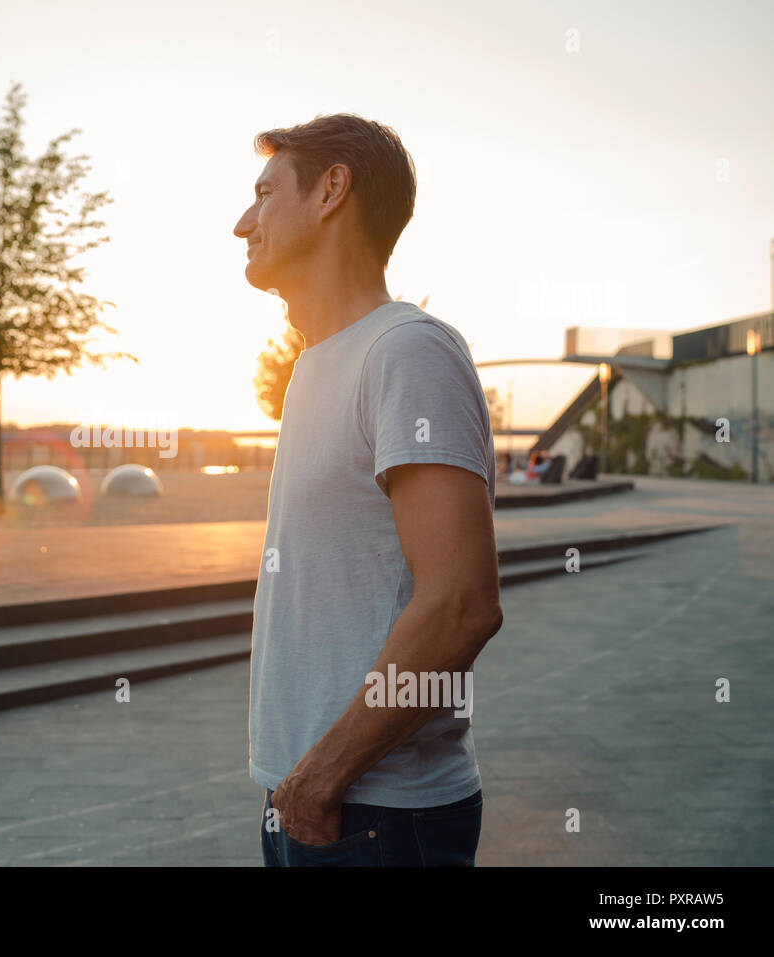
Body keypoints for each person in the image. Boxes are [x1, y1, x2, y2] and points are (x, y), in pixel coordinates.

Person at [233, 113, 503, 866]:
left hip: (378, 815)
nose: (242, 222)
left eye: (263, 194)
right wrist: (300, 786)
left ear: (331, 191)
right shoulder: (316, 366)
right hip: (309, 799)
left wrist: (325, 777)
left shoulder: (408, 352)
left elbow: (460, 606)